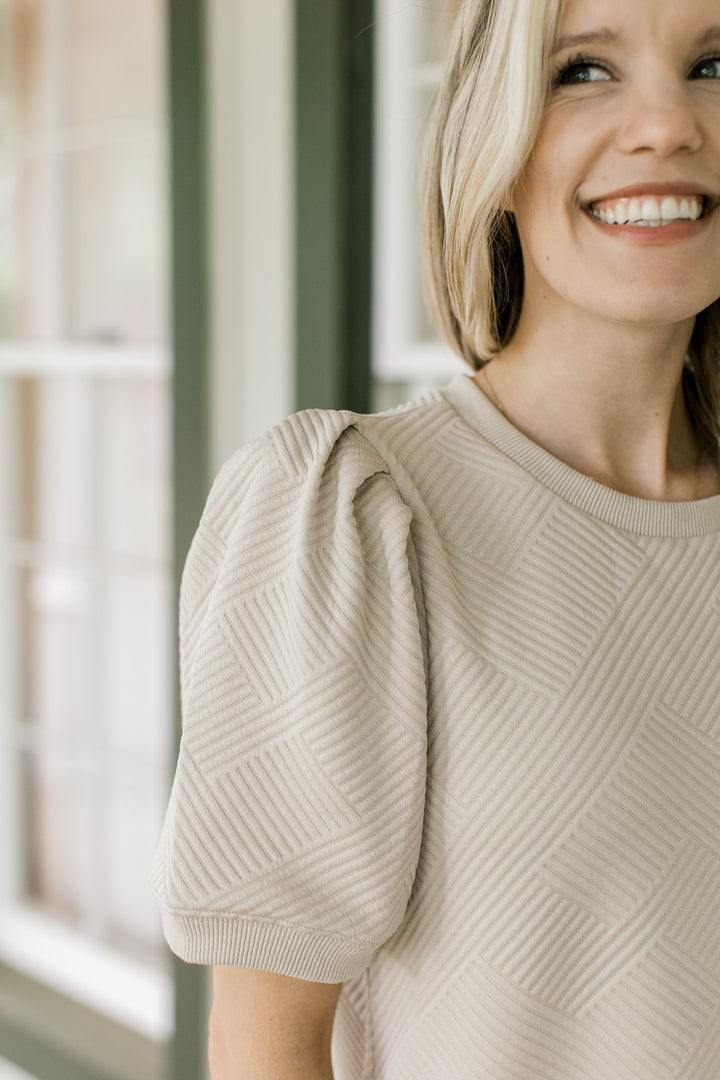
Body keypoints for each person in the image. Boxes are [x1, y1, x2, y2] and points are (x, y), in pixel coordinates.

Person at [151, 0, 720, 1075]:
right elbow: (265, 1049)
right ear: (489, 140)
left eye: (716, 62)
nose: (667, 124)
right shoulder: (363, 520)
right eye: (584, 72)